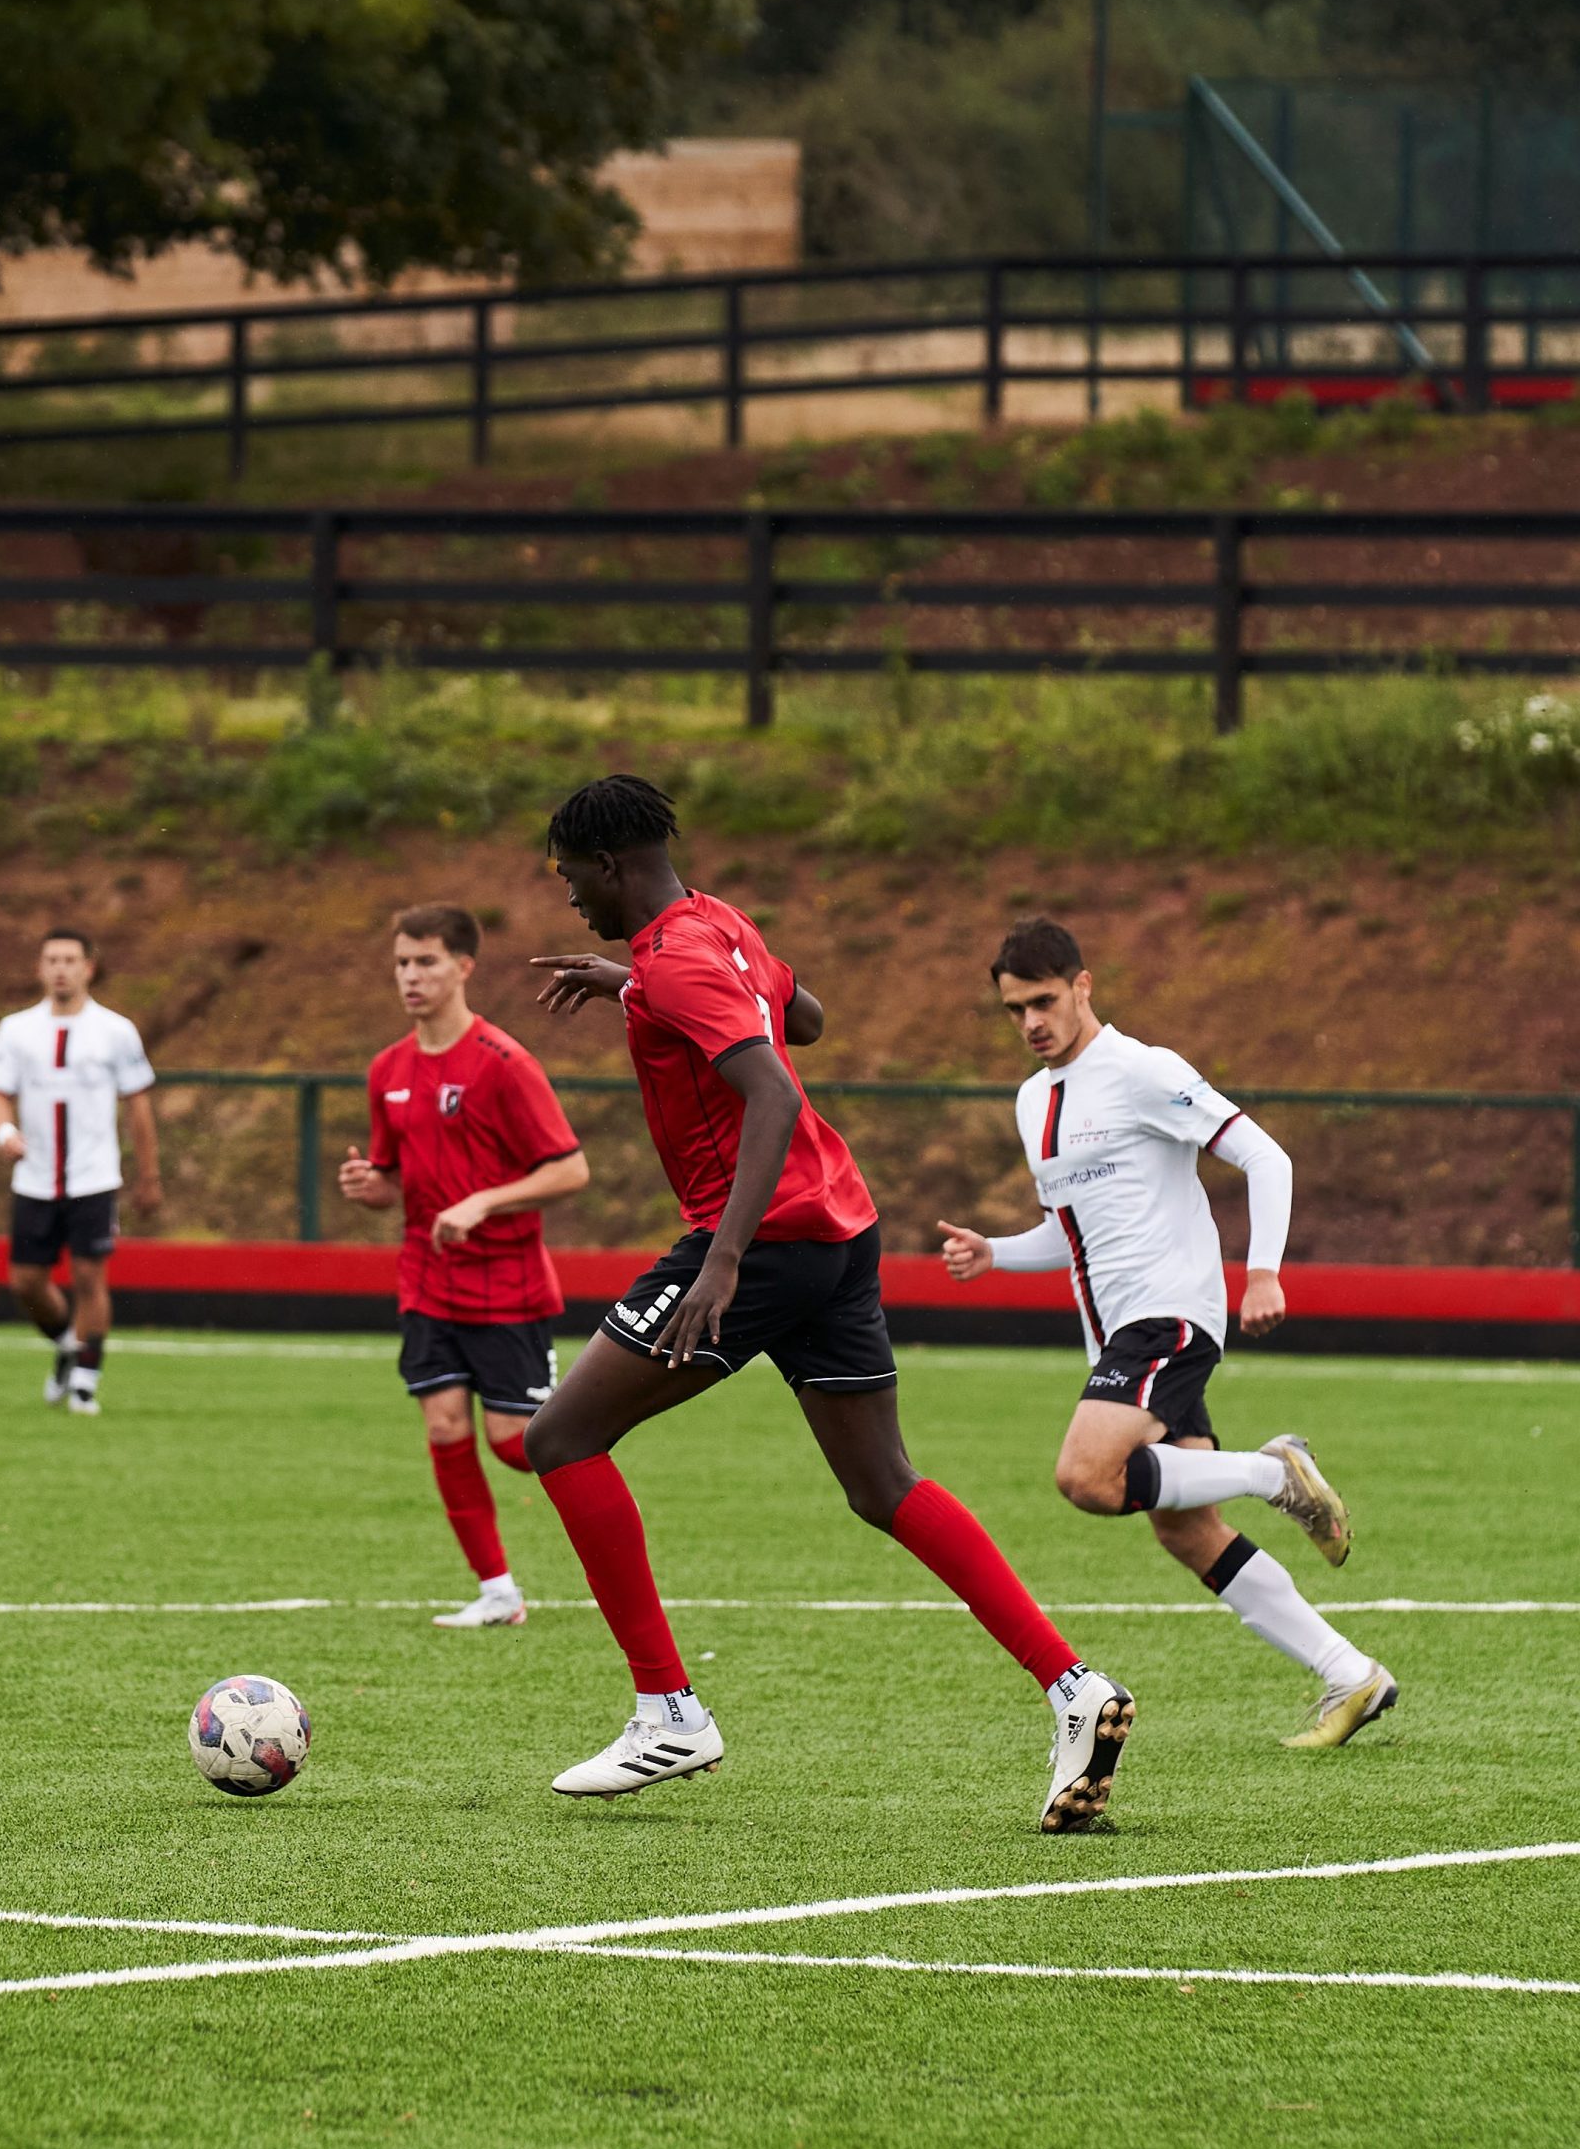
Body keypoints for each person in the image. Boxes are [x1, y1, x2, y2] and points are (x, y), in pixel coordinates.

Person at [524, 776, 1133, 1830]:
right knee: (882, 1483)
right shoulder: (713, 924)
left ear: (611, 865)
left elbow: (768, 1084)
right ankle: (1073, 1688)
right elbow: (802, 1014)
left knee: (561, 1437)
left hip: (758, 1244)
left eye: (570, 875)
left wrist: (719, 1263)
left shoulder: (675, 956)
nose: (569, 895)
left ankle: (667, 1708)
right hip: (840, 1228)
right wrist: (635, 983)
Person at [937, 917, 1393, 1750]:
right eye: (1014, 1010)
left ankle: (1272, 1469)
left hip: (1169, 1315)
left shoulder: (1144, 1071)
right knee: (1185, 1527)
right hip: (1119, 1333)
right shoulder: (1033, 1100)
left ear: (1084, 986)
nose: (1032, 1022)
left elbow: (1266, 1158)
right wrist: (994, 1253)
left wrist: (1262, 1271)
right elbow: (1070, 1233)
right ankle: (1351, 1674)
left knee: (1085, 1476)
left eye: (1044, 1001)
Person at [338, 905, 590, 1629]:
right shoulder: (387, 1069)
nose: (411, 977)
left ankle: (600, 1495)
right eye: (402, 964)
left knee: (516, 1444)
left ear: (463, 968)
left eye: (426, 962)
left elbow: (570, 1169)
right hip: (426, 1278)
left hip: (508, 1285)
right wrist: (370, 1190)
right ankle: (497, 1591)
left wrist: (484, 1202)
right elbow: (390, 1178)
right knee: (445, 1428)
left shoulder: (506, 1064)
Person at [0, 929, 159, 1416]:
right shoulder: (16, 1029)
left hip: (94, 1176)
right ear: (39, 968)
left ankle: (85, 1377)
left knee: (88, 1275)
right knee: (25, 1282)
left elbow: (138, 1104)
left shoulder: (116, 1030)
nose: (61, 968)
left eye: (70, 959)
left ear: (89, 968)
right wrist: (4, 1133)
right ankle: (66, 1342)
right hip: (35, 1177)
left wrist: (148, 1177)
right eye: (52, 959)